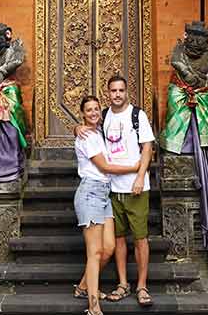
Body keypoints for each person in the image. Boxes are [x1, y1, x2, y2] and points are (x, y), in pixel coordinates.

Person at [78, 75, 155, 308]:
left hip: (136, 187)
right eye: (113, 91)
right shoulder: (103, 116)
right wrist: (77, 126)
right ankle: (123, 283)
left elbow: (148, 147)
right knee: (118, 240)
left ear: (126, 92)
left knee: (140, 238)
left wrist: (140, 175)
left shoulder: (137, 115)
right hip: (110, 190)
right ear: (108, 93)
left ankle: (142, 286)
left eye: (121, 90)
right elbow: (87, 130)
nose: (117, 94)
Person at [72, 95, 141, 315]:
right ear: (82, 114)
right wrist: (136, 168)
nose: (93, 113)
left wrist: (77, 128)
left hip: (104, 195)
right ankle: (93, 306)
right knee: (95, 252)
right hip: (90, 193)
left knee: (109, 248)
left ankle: (83, 287)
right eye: (88, 110)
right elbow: (105, 167)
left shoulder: (98, 133)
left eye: (95, 109)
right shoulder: (86, 137)